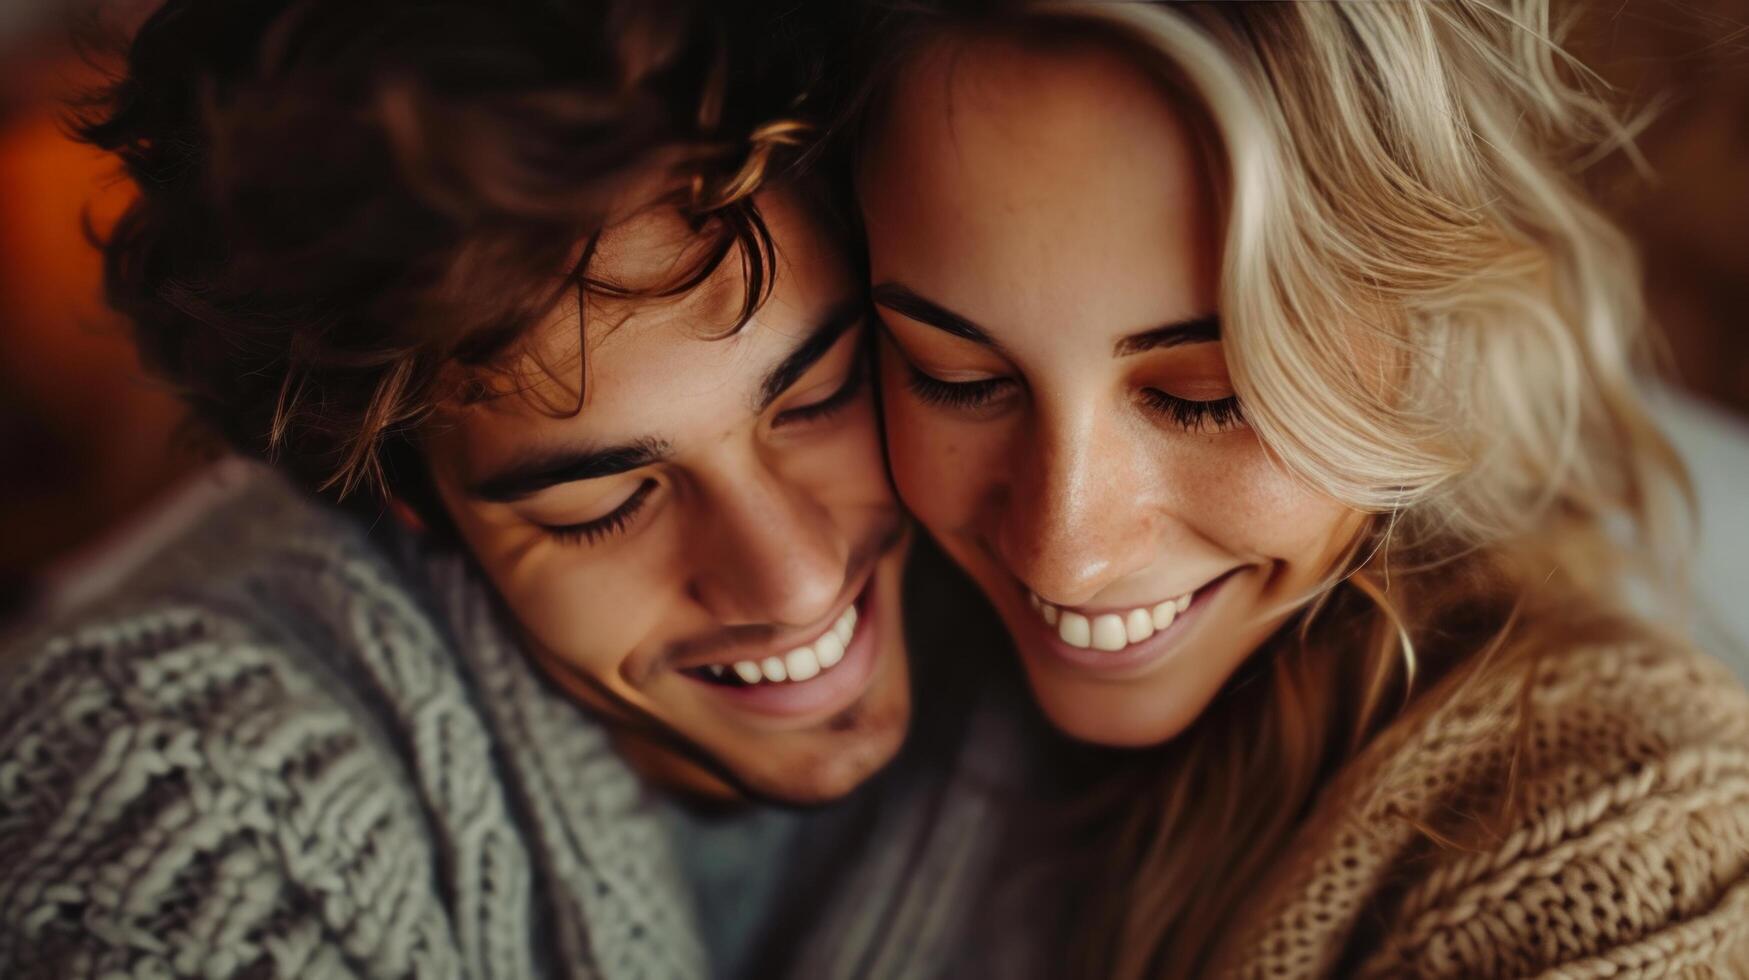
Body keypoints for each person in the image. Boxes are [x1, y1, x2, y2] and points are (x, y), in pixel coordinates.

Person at [0, 1, 999, 976]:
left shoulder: (1057, 618)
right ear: (412, 503)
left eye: (820, 398)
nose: (792, 578)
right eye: (600, 505)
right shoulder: (185, 800)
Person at [846, 0, 1749, 976]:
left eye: (1207, 397)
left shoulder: (1611, 815)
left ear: (1422, 325)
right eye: (957, 378)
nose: (1065, 551)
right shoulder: (849, 619)